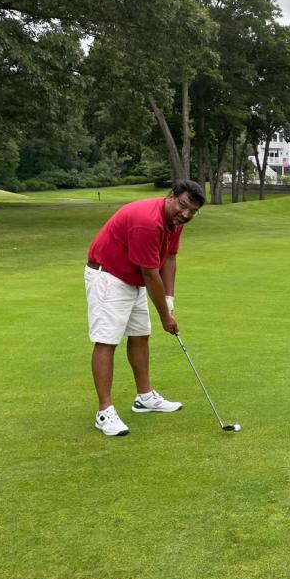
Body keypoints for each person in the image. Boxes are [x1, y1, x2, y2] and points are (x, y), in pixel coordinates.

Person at [84, 180, 206, 436]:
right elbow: (151, 274)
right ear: (170, 196)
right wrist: (165, 317)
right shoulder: (148, 222)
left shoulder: (175, 222)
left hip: (132, 278)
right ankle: (104, 412)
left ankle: (144, 397)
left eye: (192, 211)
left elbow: (169, 258)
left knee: (140, 335)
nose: (185, 214)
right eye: (183, 205)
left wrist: (169, 301)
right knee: (106, 341)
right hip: (108, 276)